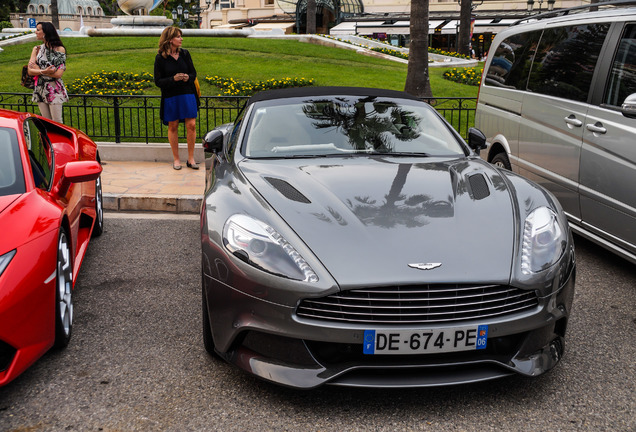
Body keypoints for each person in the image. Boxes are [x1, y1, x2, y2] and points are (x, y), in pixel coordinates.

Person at [154, 26, 199, 170]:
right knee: (173, 126)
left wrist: (187, 77)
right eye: (178, 36)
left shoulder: (185, 54)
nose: (181, 39)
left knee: (191, 125)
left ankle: (191, 159)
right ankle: (176, 159)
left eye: (181, 36)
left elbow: (193, 74)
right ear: (169, 39)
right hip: (171, 96)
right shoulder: (160, 58)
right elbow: (158, 81)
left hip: (188, 94)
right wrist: (173, 79)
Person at [27, 22, 69, 124]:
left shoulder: (59, 49)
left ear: (45, 32)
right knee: (46, 122)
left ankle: (59, 140)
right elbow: (30, 71)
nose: (36, 32)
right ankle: (49, 140)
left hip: (54, 89)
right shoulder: (36, 49)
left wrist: (39, 71)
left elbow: (58, 74)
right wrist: (44, 71)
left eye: (38, 30)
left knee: (57, 122)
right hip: (40, 88)